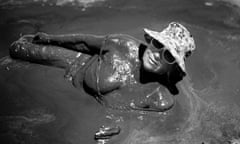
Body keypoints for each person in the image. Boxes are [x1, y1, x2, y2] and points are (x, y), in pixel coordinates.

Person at [9, 22, 195, 112]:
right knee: (18, 48)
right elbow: (83, 43)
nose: (156, 54)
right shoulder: (123, 45)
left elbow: (140, 125)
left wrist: (118, 133)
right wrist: (49, 38)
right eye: (157, 44)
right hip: (76, 63)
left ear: (174, 68)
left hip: (75, 104)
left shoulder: (159, 98)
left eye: (168, 55)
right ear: (151, 41)